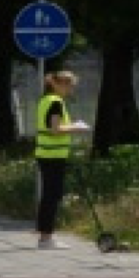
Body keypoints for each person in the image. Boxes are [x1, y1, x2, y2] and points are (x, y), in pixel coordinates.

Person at [33, 67, 89, 247]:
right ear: (57, 84)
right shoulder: (56, 102)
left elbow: (51, 126)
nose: (70, 90)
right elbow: (55, 129)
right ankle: (46, 238)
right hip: (53, 154)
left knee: (49, 195)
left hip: (46, 153)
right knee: (52, 195)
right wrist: (77, 128)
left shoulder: (45, 100)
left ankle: (45, 235)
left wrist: (69, 125)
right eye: (69, 86)